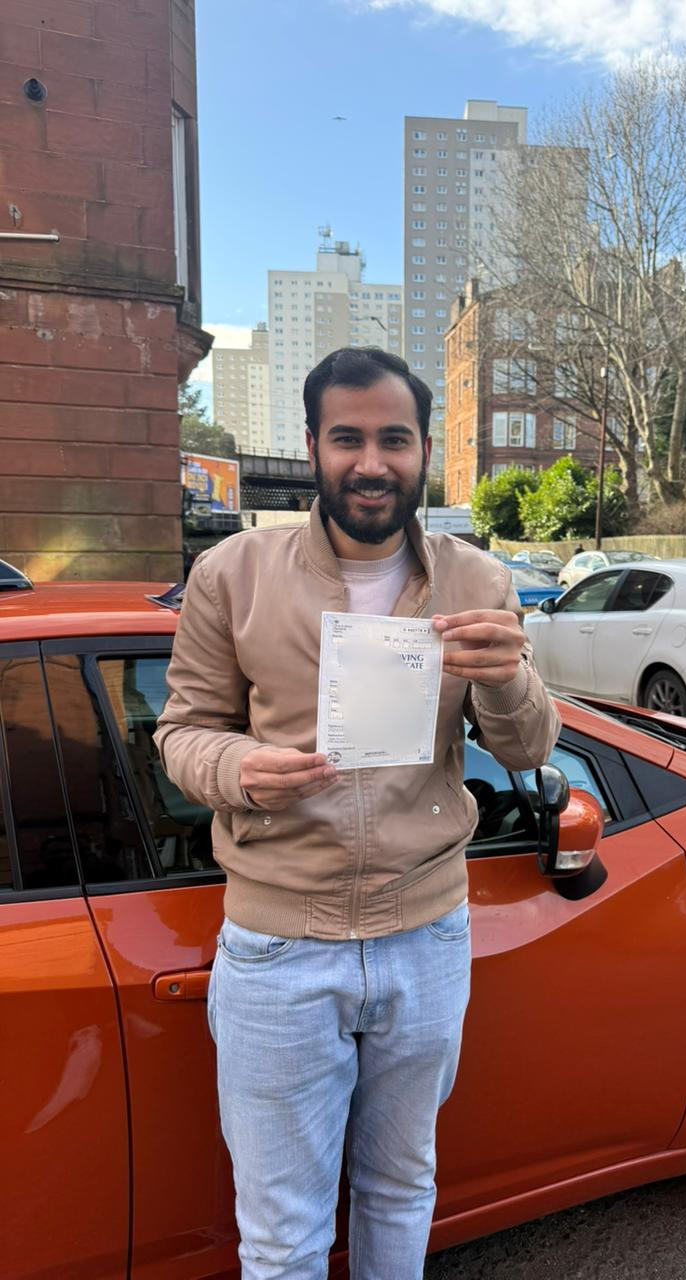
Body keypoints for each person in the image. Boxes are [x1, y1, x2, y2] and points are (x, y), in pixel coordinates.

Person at [155, 347, 560, 1279]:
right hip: (278, 947)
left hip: (428, 934)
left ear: (424, 450)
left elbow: (530, 749)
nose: (370, 462)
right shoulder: (232, 573)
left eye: (393, 439)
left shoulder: (480, 581)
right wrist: (241, 767)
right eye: (347, 438)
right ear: (311, 448)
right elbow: (180, 732)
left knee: (401, 1189)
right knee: (284, 1234)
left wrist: (511, 679)